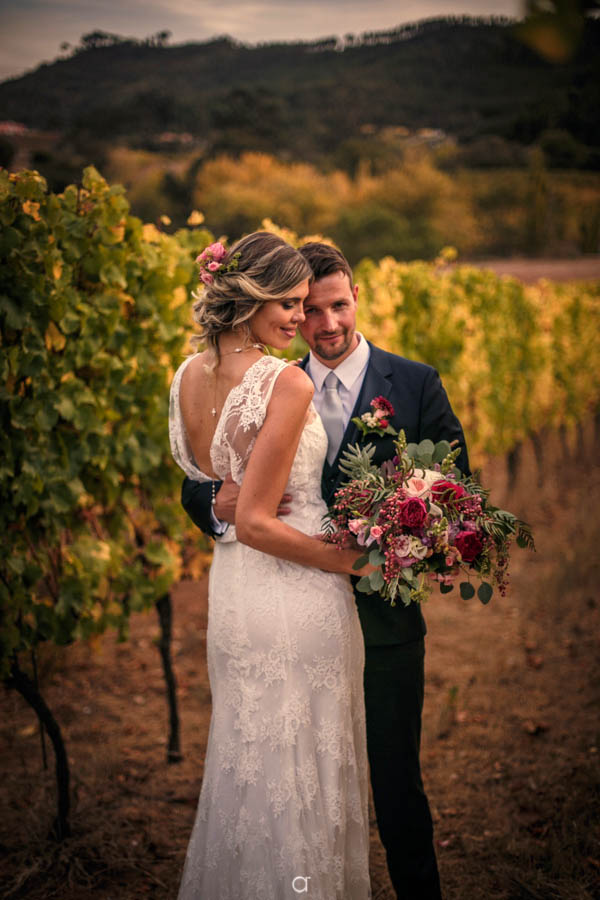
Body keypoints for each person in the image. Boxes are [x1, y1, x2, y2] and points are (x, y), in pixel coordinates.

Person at [182, 241, 470, 900]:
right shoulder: (270, 379)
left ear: (357, 296)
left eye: (337, 305)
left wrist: (406, 532)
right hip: (295, 613)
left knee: (397, 782)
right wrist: (218, 503)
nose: (326, 323)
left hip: (383, 620)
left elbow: (454, 486)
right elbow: (202, 482)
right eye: (309, 310)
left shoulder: (415, 382)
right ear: (288, 311)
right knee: (301, 775)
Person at [169, 232, 373, 900]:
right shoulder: (283, 380)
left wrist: (232, 502)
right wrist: (344, 563)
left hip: (232, 597)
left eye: (300, 302)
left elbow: (222, 501)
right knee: (301, 767)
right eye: (285, 303)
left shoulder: (186, 377)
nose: (297, 318)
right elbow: (257, 521)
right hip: (295, 592)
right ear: (247, 297)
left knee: (250, 761)